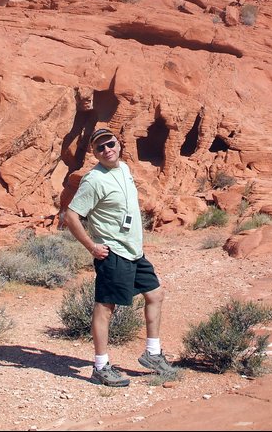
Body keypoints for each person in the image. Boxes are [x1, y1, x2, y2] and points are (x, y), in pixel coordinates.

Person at [64, 128, 177, 387]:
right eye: (101, 148)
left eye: (110, 144)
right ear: (94, 153)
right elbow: (71, 216)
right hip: (113, 253)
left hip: (134, 252)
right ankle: (101, 367)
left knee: (155, 294)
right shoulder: (93, 180)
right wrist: (92, 247)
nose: (107, 150)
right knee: (105, 308)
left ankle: (152, 354)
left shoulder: (124, 168)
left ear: (118, 144)